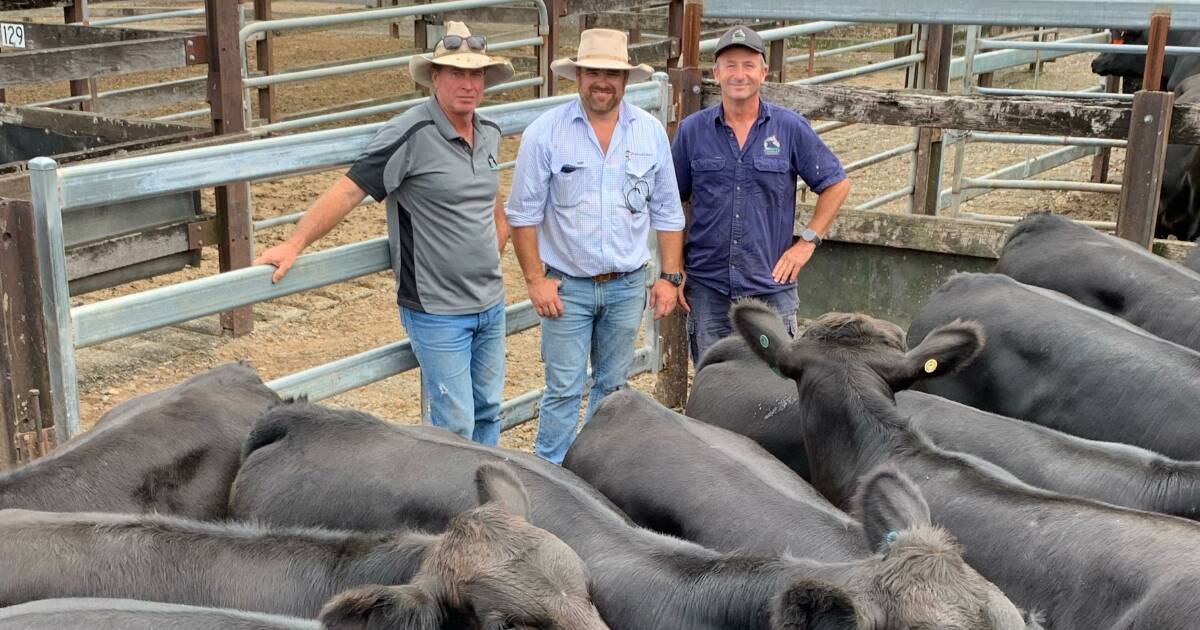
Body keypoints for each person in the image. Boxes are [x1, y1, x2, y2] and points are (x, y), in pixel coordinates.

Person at [252, 22, 514, 445]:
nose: (468, 84)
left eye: (476, 74)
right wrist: (295, 243)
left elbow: (490, 197)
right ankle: (449, 505)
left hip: (490, 301)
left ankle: (487, 504)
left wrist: (492, 246)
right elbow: (350, 188)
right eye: (456, 74)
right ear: (435, 78)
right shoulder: (410, 134)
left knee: (487, 411)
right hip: (436, 308)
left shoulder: (489, 133)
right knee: (455, 424)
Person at [506, 28, 686, 464]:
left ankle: (598, 478)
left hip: (627, 284)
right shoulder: (544, 134)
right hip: (567, 286)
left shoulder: (648, 133)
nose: (601, 81)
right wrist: (535, 280)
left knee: (613, 390)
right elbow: (522, 213)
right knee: (564, 389)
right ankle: (551, 478)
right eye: (592, 72)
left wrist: (669, 276)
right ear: (578, 76)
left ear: (625, 80)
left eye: (612, 73)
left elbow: (667, 210)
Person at [672, 25, 851, 363]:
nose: (739, 74)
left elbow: (836, 183)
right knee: (713, 385)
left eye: (748, 65)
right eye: (730, 65)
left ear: (764, 72)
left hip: (770, 287)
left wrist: (807, 242)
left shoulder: (790, 127)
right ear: (717, 73)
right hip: (709, 287)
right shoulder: (692, 131)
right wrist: (674, 268)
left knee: (776, 386)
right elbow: (671, 201)